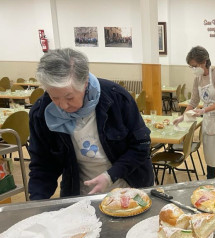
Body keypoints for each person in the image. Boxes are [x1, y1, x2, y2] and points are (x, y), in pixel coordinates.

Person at [28, 48, 154, 200]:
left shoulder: (116, 98)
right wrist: (36, 204)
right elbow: (43, 165)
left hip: (129, 187)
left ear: (85, 83)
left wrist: (110, 176)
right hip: (80, 193)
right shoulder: (42, 113)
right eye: (55, 97)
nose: (63, 106)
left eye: (69, 97)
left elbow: (141, 146)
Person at [173, 46, 215, 179]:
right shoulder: (198, 79)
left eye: (195, 66)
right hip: (210, 117)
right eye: (191, 67)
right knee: (210, 151)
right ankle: (210, 180)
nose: (193, 69)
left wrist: (203, 110)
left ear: (204, 61)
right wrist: (182, 117)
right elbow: (194, 101)